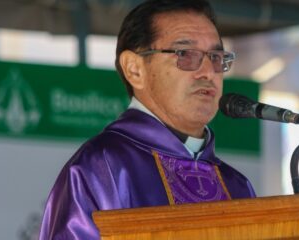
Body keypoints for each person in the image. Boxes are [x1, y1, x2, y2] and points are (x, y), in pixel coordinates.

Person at [39, 0, 256, 239]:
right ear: (134, 69)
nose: (207, 72)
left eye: (215, 57)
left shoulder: (236, 185)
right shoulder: (102, 168)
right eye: (185, 54)